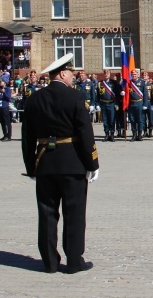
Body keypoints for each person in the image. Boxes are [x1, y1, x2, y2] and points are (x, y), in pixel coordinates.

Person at [21, 54, 99, 274]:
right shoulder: (75, 97)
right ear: (63, 74)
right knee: (74, 213)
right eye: (71, 74)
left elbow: (27, 137)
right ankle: (74, 261)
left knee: (46, 213)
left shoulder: (34, 99)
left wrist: (31, 167)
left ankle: (49, 262)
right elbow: (85, 133)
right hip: (72, 162)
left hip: (44, 162)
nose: (73, 78)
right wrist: (92, 163)